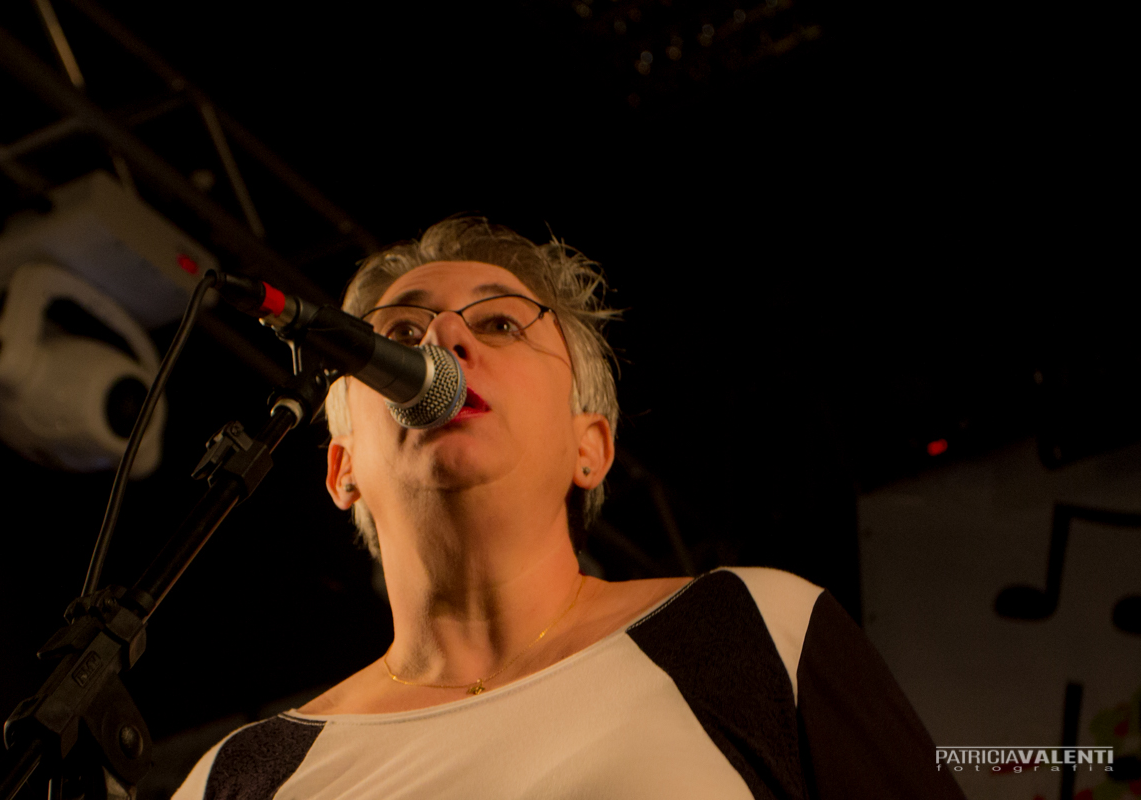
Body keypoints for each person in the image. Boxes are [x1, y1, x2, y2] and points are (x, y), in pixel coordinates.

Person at [173, 217, 965, 799]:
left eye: (499, 323)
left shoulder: (755, 631)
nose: (443, 337)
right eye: (402, 331)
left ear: (590, 446)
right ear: (342, 469)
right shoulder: (243, 777)